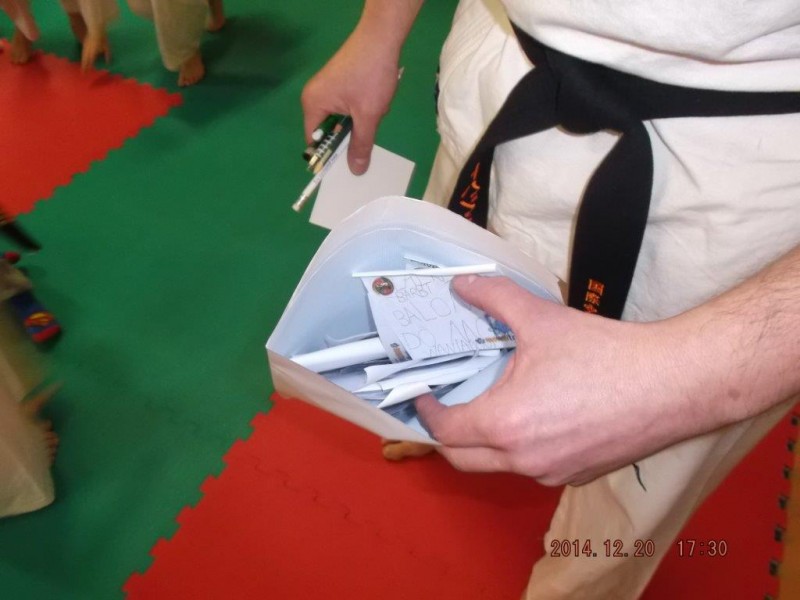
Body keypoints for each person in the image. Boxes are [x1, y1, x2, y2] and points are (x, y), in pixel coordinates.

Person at [301, 1, 800, 598]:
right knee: (445, 311)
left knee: (635, 485)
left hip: (732, 170)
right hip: (503, 67)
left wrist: (691, 381)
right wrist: (380, 31)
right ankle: (439, 415)